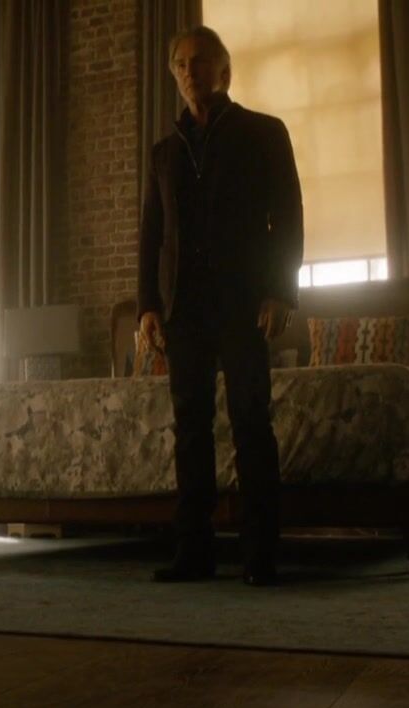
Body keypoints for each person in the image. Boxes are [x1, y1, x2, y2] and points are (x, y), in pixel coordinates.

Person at [138, 26, 303, 587]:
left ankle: (261, 554)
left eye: (202, 61)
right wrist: (148, 305)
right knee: (191, 428)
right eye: (181, 64)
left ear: (225, 71)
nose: (191, 71)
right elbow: (152, 235)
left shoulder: (263, 133)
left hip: (244, 302)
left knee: (252, 422)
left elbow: (288, 215)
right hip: (183, 308)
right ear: (174, 75)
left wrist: (282, 290)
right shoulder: (164, 153)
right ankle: (194, 552)